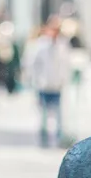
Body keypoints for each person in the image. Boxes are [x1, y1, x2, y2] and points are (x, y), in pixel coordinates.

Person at [26, 19, 71, 148]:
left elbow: (66, 64)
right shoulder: (41, 45)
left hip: (57, 84)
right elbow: (33, 64)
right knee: (44, 113)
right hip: (43, 84)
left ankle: (58, 137)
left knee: (58, 114)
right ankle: (44, 137)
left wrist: (64, 79)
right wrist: (35, 80)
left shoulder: (63, 45)